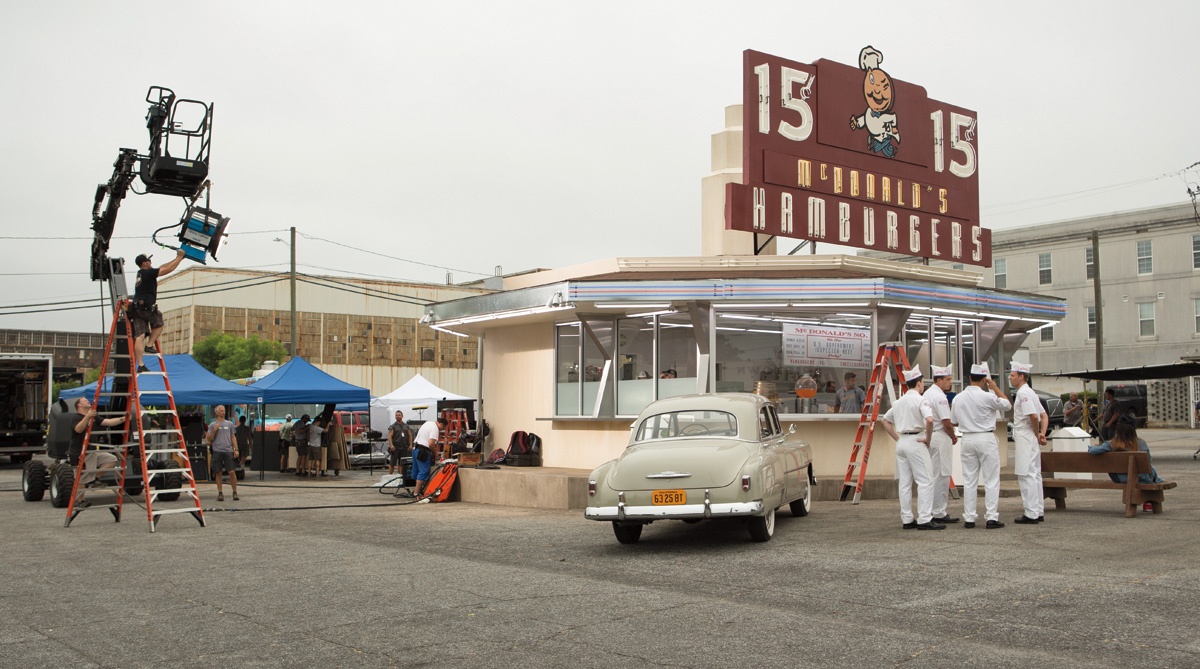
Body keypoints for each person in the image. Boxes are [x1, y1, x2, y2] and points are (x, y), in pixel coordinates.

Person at [880, 367, 943, 530]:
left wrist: (897, 438)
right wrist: (928, 439)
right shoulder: (921, 400)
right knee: (926, 480)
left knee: (905, 482)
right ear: (920, 383)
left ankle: (907, 518)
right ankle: (924, 518)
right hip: (916, 439)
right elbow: (930, 420)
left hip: (902, 442)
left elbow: (885, 421)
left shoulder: (899, 402)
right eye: (922, 383)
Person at [950, 362, 1011, 529]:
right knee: (991, 479)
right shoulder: (988, 396)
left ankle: (969, 517)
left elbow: (953, 421)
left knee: (969, 480)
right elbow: (1007, 404)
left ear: (969, 378)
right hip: (985, 438)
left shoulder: (958, 398)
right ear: (985, 380)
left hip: (967, 438)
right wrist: (995, 388)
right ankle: (991, 516)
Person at [128, 249, 186, 373]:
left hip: (137, 309)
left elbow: (162, 267)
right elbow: (167, 270)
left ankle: (141, 364)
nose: (150, 262)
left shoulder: (141, 274)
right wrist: (180, 258)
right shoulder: (147, 273)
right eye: (148, 260)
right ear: (144, 263)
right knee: (159, 324)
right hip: (146, 309)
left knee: (140, 335)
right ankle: (149, 345)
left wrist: (177, 258)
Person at [1009, 362, 1048, 525]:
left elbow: (1034, 416)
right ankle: (1038, 510)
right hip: (1030, 435)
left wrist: (1036, 432)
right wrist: (1041, 434)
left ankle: (1031, 512)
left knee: (1026, 474)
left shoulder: (1023, 394)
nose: (1010, 378)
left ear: (1021, 376)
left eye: (1012, 375)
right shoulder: (1030, 392)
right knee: (1035, 474)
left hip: (1025, 434)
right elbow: (1044, 415)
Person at [69, 397, 123, 508]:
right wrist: (87, 417)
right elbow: (79, 429)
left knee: (111, 459)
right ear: (79, 405)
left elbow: (108, 422)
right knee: (81, 477)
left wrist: (124, 418)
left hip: (92, 451)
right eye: (84, 400)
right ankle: (80, 500)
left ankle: (94, 478)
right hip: (80, 452)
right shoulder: (76, 417)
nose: (87, 401)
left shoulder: (93, 417)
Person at [924, 365, 959, 524]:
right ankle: (938, 511)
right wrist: (953, 436)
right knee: (942, 474)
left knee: (933, 474)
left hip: (932, 436)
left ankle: (932, 509)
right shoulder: (939, 397)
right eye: (948, 379)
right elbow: (946, 422)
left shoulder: (927, 393)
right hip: (940, 436)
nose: (950, 382)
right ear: (939, 380)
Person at [1088, 422, 1165, 486]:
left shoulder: (1111, 444)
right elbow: (1149, 461)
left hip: (1122, 479)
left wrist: (1093, 447)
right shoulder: (1142, 443)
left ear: (1118, 432)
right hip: (1144, 478)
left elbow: (1092, 451)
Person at [206, 405, 239, 502]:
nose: (223, 412)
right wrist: (214, 430)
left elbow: (233, 436)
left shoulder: (229, 424)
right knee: (218, 472)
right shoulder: (212, 425)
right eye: (221, 411)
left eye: (224, 410)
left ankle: (234, 492)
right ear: (216, 412)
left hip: (228, 450)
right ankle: (220, 493)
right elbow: (209, 438)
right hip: (217, 451)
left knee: (231, 471)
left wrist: (236, 449)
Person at [412, 417, 447, 498]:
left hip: (415, 449)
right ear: (441, 424)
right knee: (423, 472)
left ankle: (416, 491)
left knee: (417, 471)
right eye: (443, 427)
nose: (442, 429)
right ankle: (416, 494)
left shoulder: (428, 423)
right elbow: (431, 443)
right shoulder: (435, 428)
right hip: (423, 451)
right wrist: (435, 454)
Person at [387, 410, 412, 477]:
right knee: (392, 463)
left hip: (404, 447)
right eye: (396, 415)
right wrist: (391, 445)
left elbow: (410, 435)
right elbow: (389, 436)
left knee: (402, 464)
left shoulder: (406, 426)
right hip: (396, 447)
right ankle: (389, 476)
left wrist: (410, 445)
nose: (397, 416)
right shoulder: (392, 426)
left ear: (402, 416)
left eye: (399, 415)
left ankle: (401, 476)